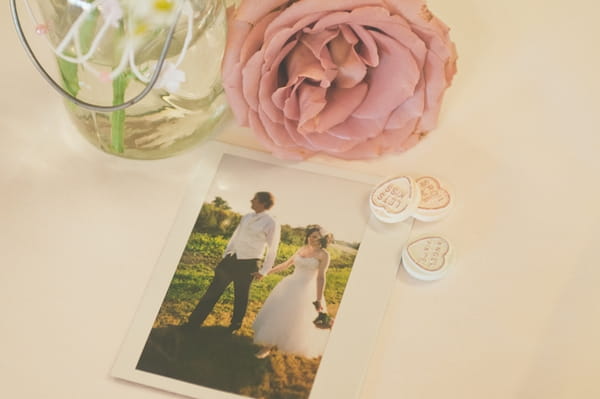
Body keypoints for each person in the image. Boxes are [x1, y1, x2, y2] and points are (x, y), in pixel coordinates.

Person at [184, 192, 280, 332]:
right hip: (230, 260)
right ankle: (193, 323)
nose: (251, 200)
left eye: (255, 198)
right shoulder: (246, 217)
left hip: (249, 263)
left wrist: (264, 271)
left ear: (263, 202)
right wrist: (227, 253)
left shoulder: (271, 222)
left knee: (241, 295)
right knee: (212, 292)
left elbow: (273, 248)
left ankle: (234, 325)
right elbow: (235, 236)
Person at [252, 225, 333, 359]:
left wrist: (318, 299)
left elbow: (321, 276)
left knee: (297, 319)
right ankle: (267, 346)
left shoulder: (324, 255)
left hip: (307, 289)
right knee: (279, 314)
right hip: (290, 284)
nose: (311, 239)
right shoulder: (302, 249)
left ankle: (286, 341)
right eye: (310, 236)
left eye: (315, 237)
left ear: (322, 239)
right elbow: (286, 264)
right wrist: (266, 272)